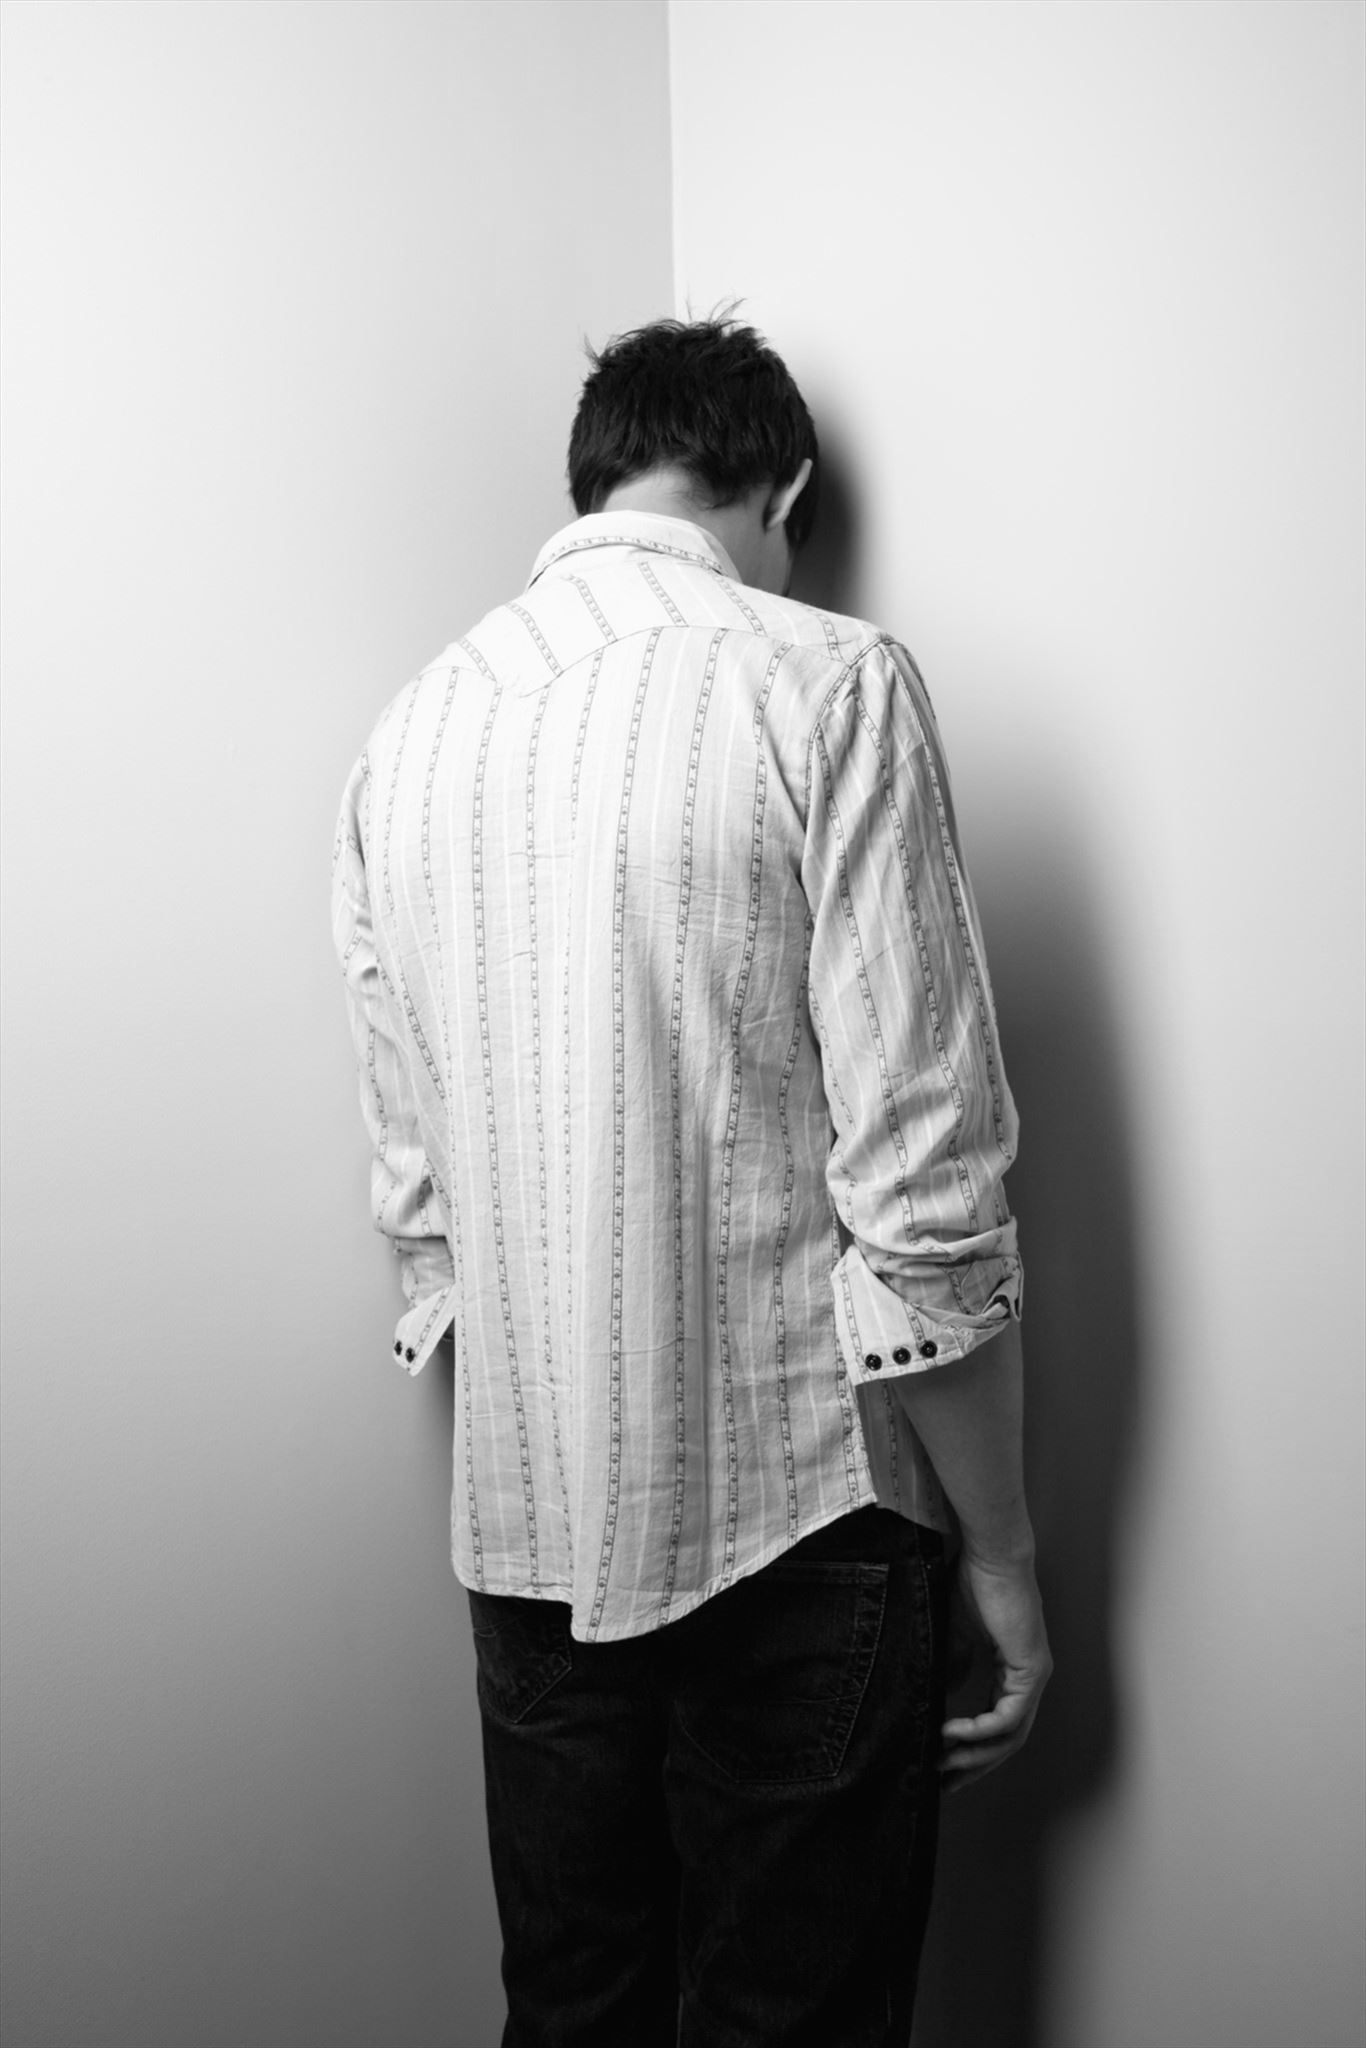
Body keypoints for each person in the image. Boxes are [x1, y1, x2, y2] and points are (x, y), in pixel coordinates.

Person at [332, 316, 1051, 2047]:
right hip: (799, 1517)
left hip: (525, 1527)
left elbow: (420, 1205)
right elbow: (925, 1197)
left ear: (598, 480)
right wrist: (1006, 1563)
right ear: (778, 491)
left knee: (573, 2012)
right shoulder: (826, 680)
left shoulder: (405, 738)